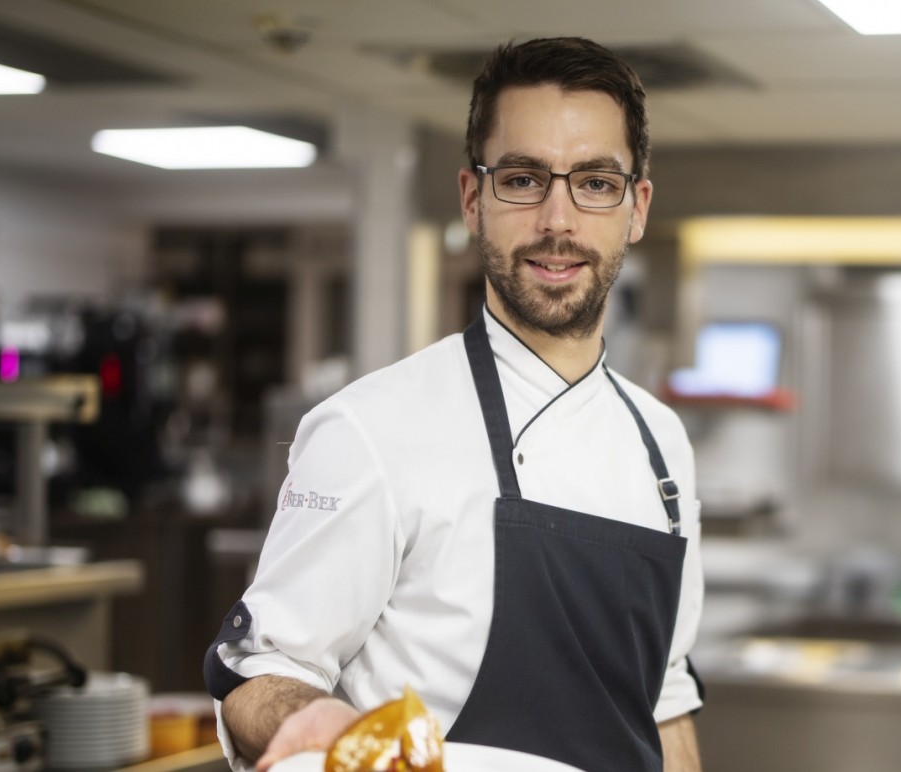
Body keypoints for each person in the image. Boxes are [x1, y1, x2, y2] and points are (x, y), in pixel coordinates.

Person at [204, 37, 705, 772]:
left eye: (596, 182)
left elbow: (664, 702)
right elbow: (256, 667)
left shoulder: (662, 443)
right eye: (524, 179)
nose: (558, 221)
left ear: (636, 207)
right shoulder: (371, 429)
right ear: (473, 200)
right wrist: (315, 717)